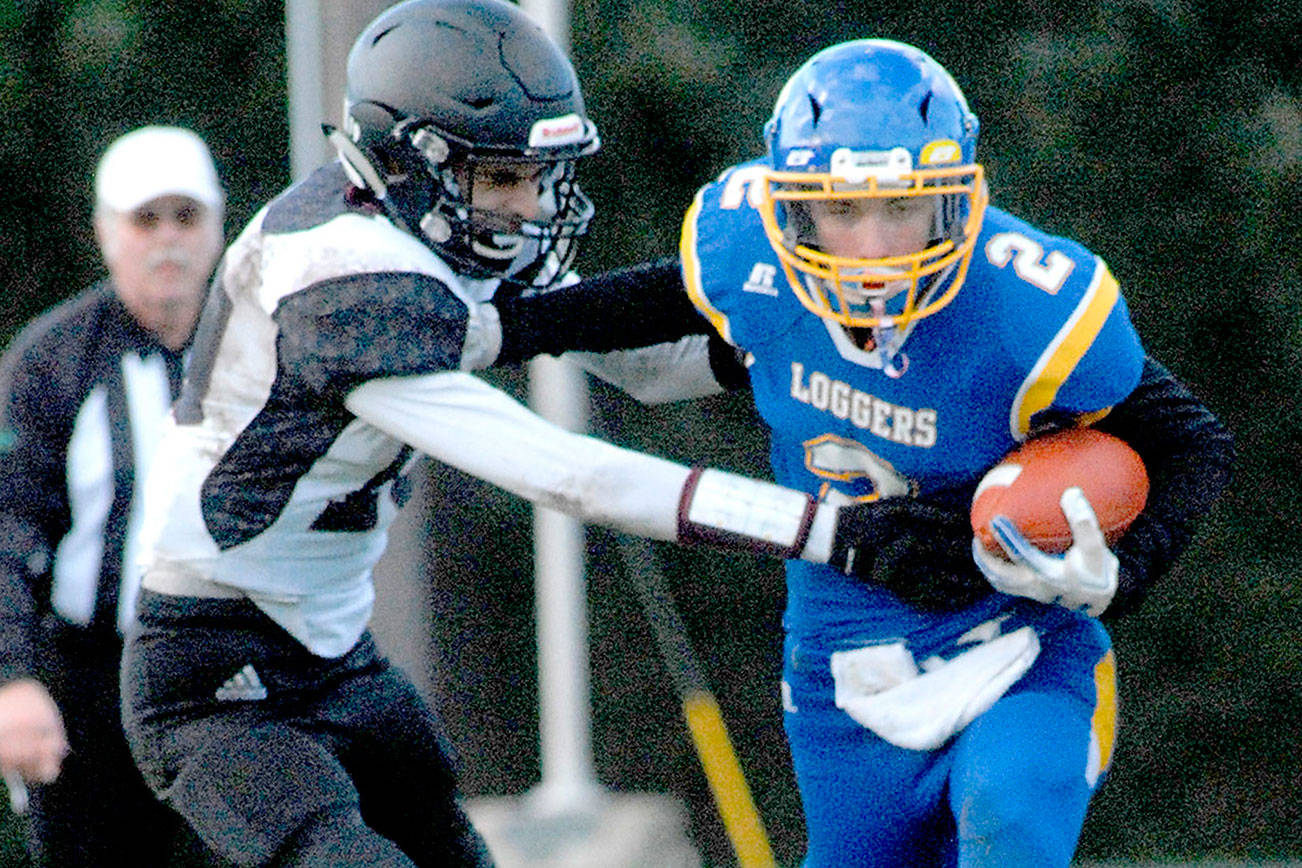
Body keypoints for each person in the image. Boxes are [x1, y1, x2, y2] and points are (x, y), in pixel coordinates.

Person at [116, 4, 922, 866]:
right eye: (504, 177)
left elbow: (653, 370)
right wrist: (829, 533)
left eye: (539, 175)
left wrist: (812, 336)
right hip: (213, 670)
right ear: (412, 159)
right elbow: (570, 477)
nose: (530, 203)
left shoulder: (420, 225)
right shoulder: (339, 281)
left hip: (335, 650)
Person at [488, 39, 1235, 867]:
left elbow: (1190, 442)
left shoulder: (1033, 308)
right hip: (840, 670)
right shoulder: (749, 259)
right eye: (842, 213)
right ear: (793, 209)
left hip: (1013, 650)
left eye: (902, 208)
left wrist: (1124, 576)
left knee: (1010, 820)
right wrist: (495, 329)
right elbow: (658, 302)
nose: (874, 247)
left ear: (954, 201)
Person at [0, 125, 225, 864]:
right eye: (145, 219)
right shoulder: (51, 361)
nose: (168, 241)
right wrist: (12, 679)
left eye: (186, 218)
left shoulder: (265, 349)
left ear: (219, 227)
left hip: (228, 677)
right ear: (105, 233)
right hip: (90, 681)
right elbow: (6, 527)